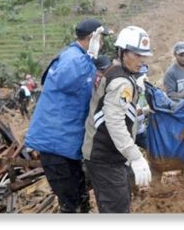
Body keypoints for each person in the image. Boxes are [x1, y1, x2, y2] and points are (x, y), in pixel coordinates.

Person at [24, 18, 111, 213]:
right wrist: (89, 56)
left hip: (68, 143)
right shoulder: (73, 58)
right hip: (56, 142)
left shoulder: (82, 60)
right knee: (70, 204)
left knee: (80, 197)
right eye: (101, 39)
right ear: (91, 38)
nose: (103, 44)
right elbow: (65, 80)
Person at [82, 25, 152, 213]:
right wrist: (135, 156)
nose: (140, 60)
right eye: (136, 55)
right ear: (122, 52)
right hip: (105, 156)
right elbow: (114, 122)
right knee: (117, 210)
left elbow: (118, 112)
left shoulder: (117, 72)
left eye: (143, 55)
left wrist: (142, 110)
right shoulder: (122, 83)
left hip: (106, 153)